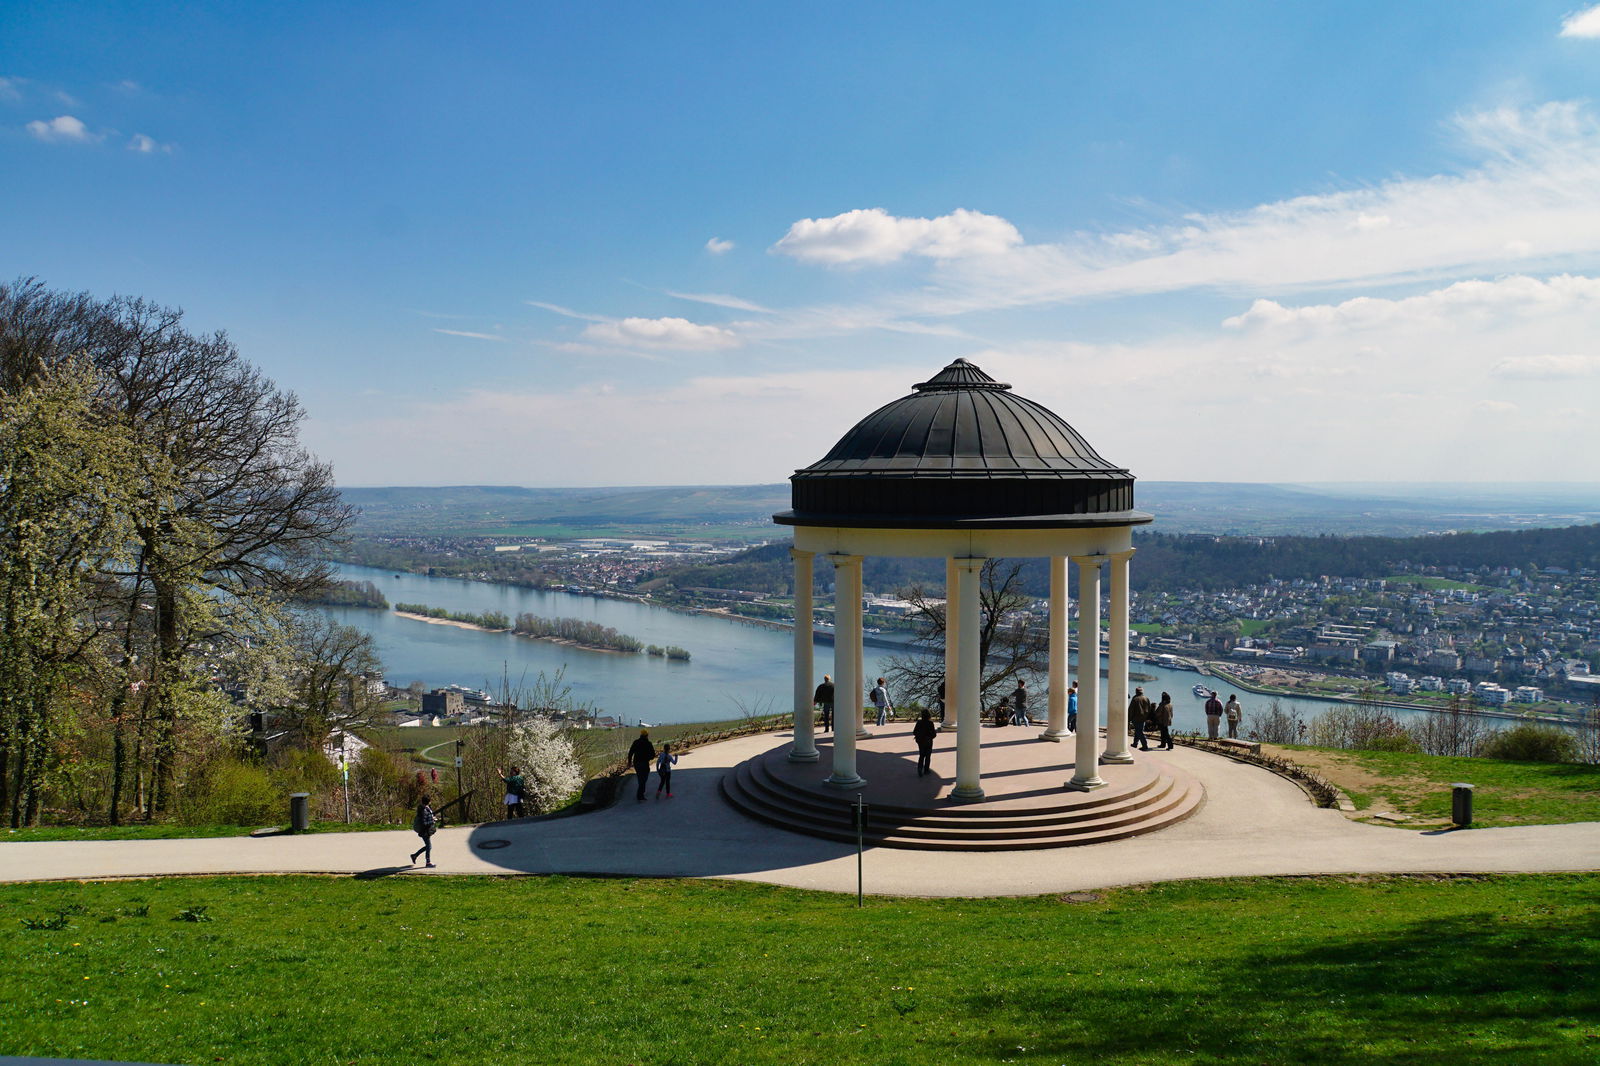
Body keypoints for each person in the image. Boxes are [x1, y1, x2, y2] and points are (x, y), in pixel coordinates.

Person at [628, 728, 656, 803]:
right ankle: (640, 795)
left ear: (640, 735)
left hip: (636, 763)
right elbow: (653, 755)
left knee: (640, 778)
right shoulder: (648, 744)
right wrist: (648, 758)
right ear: (647, 735)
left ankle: (641, 793)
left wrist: (629, 762)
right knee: (644, 779)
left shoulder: (636, 742)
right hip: (644, 763)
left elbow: (630, 752)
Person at [409, 794, 437, 868]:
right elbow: (424, 822)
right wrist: (432, 821)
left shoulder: (426, 808)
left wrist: (432, 818)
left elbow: (427, 818)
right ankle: (428, 862)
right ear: (429, 801)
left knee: (428, 846)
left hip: (426, 830)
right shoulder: (424, 810)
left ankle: (415, 856)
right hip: (424, 831)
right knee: (429, 846)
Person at [912, 709, 937, 776]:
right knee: (928, 756)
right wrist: (930, 737)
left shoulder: (919, 722)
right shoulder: (930, 723)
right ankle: (926, 770)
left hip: (920, 741)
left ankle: (920, 769)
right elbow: (934, 734)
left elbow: (914, 732)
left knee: (921, 755)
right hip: (928, 741)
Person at [1128, 687, 1154, 752]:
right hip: (1143, 718)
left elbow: (1131, 710)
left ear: (1136, 692)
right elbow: (1149, 709)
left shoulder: (1135, 699)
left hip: (1136, 718)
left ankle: (1145, 745)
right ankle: (1135, 743)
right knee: (1138, 730)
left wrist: (1129, 718)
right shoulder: (1146, 698)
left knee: (1139, 731)